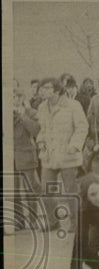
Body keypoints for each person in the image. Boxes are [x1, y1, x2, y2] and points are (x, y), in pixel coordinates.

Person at [35, 76, 89, 230]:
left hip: (68, 156)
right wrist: (41, 142)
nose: (42, 91)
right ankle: (52, 221)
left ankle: (76, 223)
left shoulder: (73, 105)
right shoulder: (42, 107)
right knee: (45, 190)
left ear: (57, 90)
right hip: (49, 156)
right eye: (41, 88)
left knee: (71, 192)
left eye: (47, 88)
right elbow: (42, 129)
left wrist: (75, 145)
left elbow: (82, 127)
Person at [9, 87, 42, 232]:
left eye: (17, 96)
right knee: (13, 190)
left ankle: (34, 219)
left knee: (30, 189)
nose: (14, 99)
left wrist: (22, 116)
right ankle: (19, 220)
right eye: (12, 97)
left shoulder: (31, 113)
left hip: (26, 154)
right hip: (10, 156)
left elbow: (36, 130)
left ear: (22, 98)